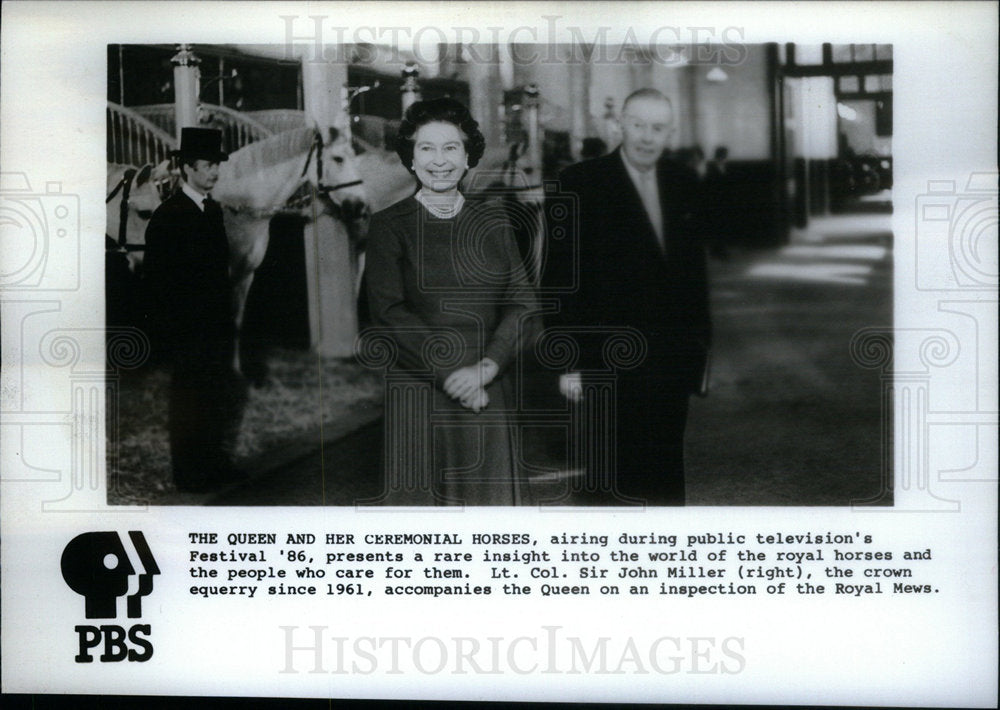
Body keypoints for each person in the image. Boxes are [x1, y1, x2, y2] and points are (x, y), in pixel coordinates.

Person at [364, 98, 538, 505]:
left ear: (467, 157)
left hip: (487, 384)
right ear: (410, 158)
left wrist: (487, 366)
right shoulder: (389, 226)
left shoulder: (496, 223)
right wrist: (452, 376)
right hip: (420, 385)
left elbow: (523, 305)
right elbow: (388, 314)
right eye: (426, 148)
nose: (438, 161)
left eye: (450, 148)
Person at [543, 88, 711, 505]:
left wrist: (701, 351)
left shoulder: (683, 181)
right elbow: (559, 278)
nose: (646, 136)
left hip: (672, 356)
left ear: (670, 133)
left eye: (657, 128)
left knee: (667, 467)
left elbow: (694, 275)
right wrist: (568, 361)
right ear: (621, 125)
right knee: (611, 474)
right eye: (638, 125)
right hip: (606, 358)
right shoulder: (579, 183)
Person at [143, 127, 246, 493]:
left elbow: (219, 272)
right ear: (186, 168)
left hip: (214, 325)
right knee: (188, 399)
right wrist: (175, 331)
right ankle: (188, 473)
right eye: (206, 165)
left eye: (216, 165)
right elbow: (157, 282)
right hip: (187, 329)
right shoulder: (169, 215)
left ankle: (213, 463)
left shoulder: (212, 210)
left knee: (215, 394)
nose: (214, 173)